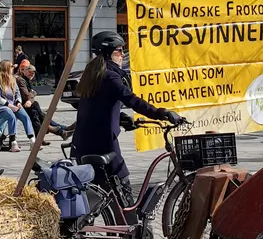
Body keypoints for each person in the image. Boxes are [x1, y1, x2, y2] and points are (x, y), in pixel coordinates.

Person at [71, 30, 184, 202]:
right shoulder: (109, 76)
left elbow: (98, 105)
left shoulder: (92, 73)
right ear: (109, 53)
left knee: (100, 192)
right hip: (104, 144)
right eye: (119, 50)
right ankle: (130, 224)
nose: (122, 54)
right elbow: (132, 101)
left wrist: (121, 117)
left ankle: (113, 224)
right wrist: (162, 113)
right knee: (122, 184)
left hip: (82, 143)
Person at [0, 59, 34, 152]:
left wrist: (18, 102)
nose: (13, 68)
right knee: (11, 115)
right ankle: (13, 143)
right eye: (11, 66)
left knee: (25, 116)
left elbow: (17, 93)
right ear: (6, 68)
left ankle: (32, 140)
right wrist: (9, 105)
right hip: (0, 107)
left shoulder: (12, 78)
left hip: (13, 105)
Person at [16, 61, 69, 141]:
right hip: (20, 105)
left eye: (33, 74)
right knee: (36, 112)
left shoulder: (26, 80)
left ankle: (58, 130)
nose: (32, 75)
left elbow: (32, 93)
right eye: (30, 73)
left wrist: (32, 95)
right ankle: (58, 130)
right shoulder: (21, 80)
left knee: (38, 113)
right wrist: (32, 95)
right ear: (24, 70)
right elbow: (27, 95)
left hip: (27, 105)